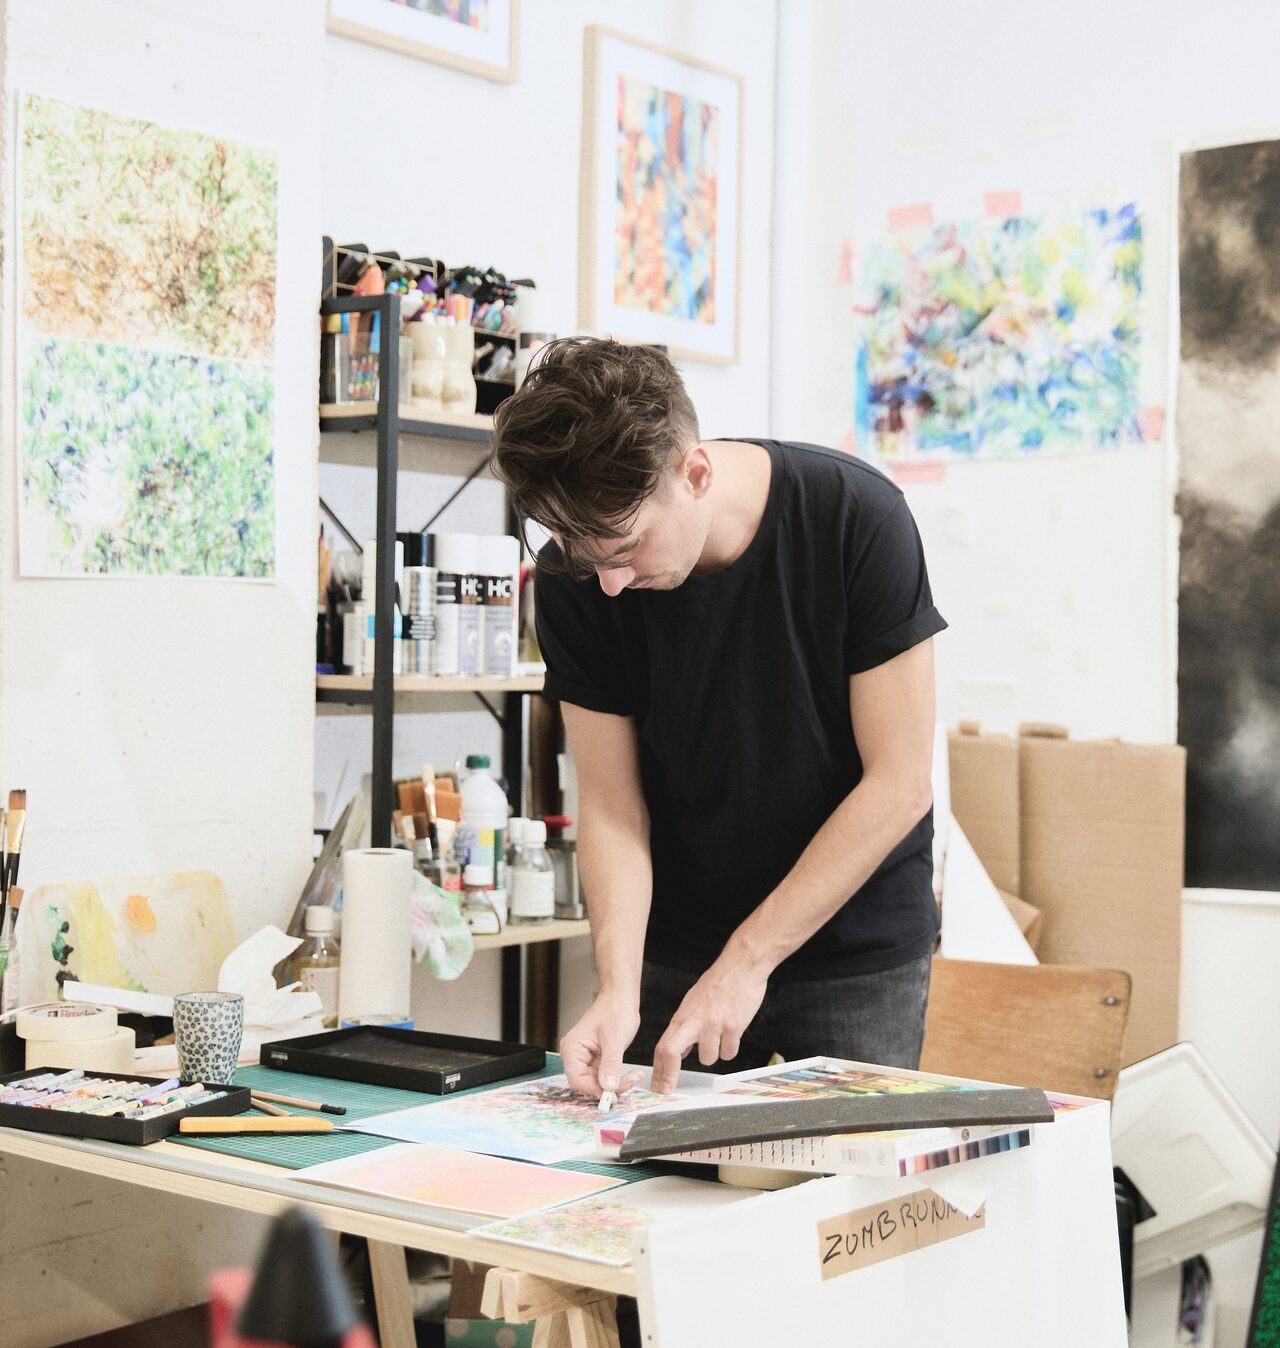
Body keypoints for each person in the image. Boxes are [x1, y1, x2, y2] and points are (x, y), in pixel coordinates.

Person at [493, 338, 946, 1098]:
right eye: (579, 551)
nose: (607, 584)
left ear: (694, 472)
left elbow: (899, 784)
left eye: (627, 548)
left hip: (852, 955)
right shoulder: (579, 575)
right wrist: (617, 987)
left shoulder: (856, 520)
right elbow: (611, 805)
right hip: (679, 947)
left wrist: (747, 962)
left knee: (839, 1208)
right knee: (655, 1195)